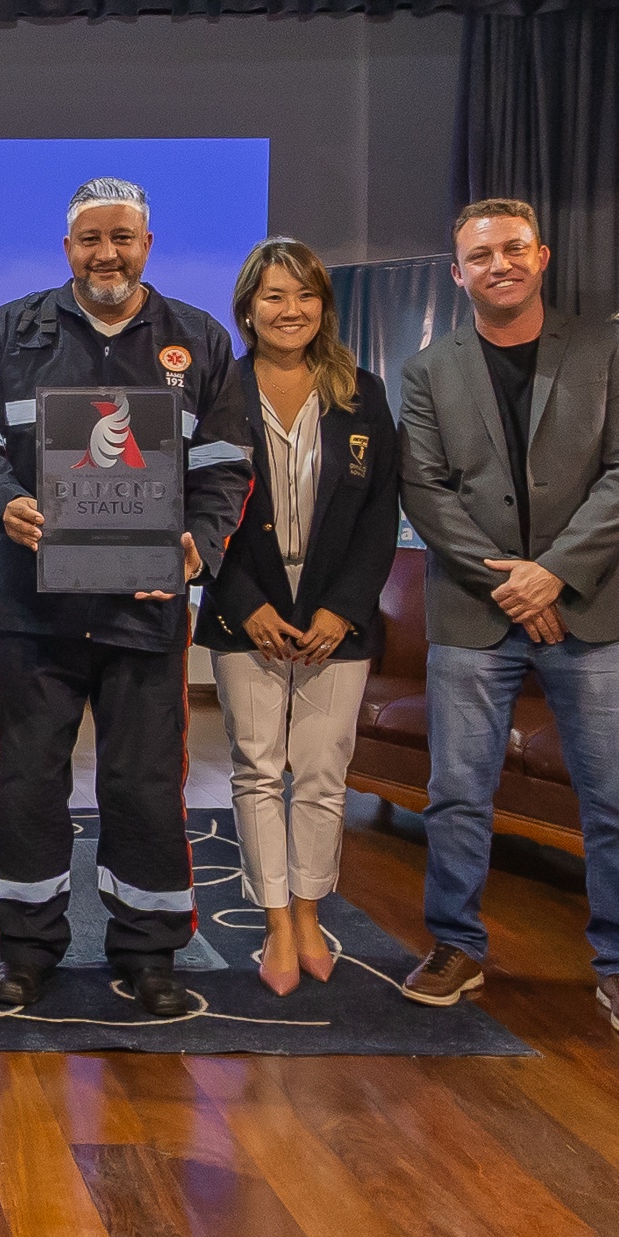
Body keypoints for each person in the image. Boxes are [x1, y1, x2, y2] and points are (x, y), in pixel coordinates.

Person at [0, 177, 254, 1016]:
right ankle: (27, 950)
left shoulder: (198, 338)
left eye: (122, 238)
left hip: (146, 606)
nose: (106, 254)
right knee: (28, 782)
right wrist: (3, 498)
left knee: (145, 783)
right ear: (68, 248)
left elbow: (226, 465)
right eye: (90, 239)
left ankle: (149, 952)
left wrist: (200, 544)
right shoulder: (13, 329)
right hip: (35, 609)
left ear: (146, 245)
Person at [397, 198, 619, 1039]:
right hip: (475, 613)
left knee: (617, 803)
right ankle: (456, 946)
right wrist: (512, 584)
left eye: (514, 249)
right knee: (455, 796)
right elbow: (425, 490)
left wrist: (552, 576)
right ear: (458, 273)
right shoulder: (428, 369)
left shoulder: (606, 349)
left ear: (541, 256)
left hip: (593, 607)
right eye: (480, 256)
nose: (499, 265)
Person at [197, 239, 403, 996]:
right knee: (257, 770)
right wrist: (243, 603)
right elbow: (198, 507)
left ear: (324, 305)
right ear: (248, 308)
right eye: (274, 296)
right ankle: (276, 921)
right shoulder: (217, 392)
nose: (291, 310)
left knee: (321, 772)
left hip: (334, 618)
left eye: (305, 295)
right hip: (243, 608)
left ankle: (311, 912)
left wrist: (343, 610)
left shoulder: (363, 394)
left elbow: (380, 513)